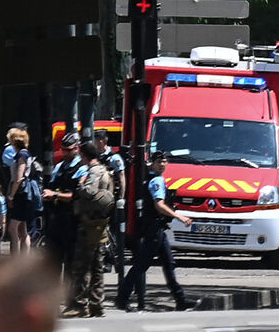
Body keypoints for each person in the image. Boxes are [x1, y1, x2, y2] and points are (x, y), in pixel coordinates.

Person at [114, 151, 197, 312]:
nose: (162, 164)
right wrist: (179, 217)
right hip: (154, 228)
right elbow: (159, 205)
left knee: (169, 263)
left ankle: (180, 299)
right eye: (159, 161)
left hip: (158, 228)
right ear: (152, 163)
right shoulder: (156, 181)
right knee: (141, 266)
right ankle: (122, 299)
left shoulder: (155, 179)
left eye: (165, 161)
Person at [62, 142, 114, 319]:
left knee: (82, 266)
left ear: (84, 155)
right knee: (97, 265)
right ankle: (97, 304)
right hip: (100, 223)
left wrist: (80, 184)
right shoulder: (105, 170)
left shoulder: (92, 172)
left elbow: (89, 192)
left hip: (88, 223)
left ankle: (80, 304)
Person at [42, 133, 84, 282]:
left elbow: (75, 195)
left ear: (77, 149)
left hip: (72, 220)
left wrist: (55, 195)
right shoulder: (60, 166)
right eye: (63, 149)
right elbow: (52, 186)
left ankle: (69, 297)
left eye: (68, 150)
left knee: (71, 262)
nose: (65, 153)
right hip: (57, 220)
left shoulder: (82, 169)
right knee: (53, 260)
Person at [94, 129, 126, 282]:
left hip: (110, 198)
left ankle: (110, 261)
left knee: (111, 231)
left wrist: (121, 198)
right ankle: (102, 258)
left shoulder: (114, 158)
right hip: (97, 198)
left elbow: (122, 177)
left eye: (97, 140)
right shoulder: (95, 156)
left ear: (102, 141)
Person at [4, 127, 39, 255]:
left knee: (12, 228)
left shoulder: (22, 155)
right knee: (23, 229)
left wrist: (11, 196)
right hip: (23, 195)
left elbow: (18, 178)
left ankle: (16, 259)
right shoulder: (24, 153)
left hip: (21, 195)